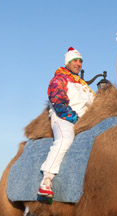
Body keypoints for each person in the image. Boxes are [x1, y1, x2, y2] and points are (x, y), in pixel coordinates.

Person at [38, 47, 95, 199]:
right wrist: (74, 119)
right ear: (68, 62)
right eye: (75, 60)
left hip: (86, 121)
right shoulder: (59, 79)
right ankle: (46, 180)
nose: (78, 64)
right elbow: (57, 100)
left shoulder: (84, 85)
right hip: (63, 118)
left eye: (80, 61)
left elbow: (96, 103)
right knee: (65, 138)